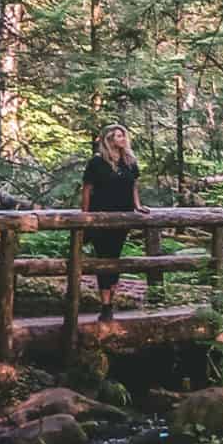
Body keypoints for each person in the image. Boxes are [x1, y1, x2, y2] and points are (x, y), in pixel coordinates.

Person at [78, 124, 142, 325]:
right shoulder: (97, 162)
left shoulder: (129, 161)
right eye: (118, 135)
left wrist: (138, 206)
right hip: (101, 217)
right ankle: (106, 305)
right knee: (104, 258)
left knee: (114, 258)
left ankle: (110, 301)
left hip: (123, 217)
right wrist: (85, 216)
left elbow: (134, 186)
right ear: (109, 140)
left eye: (123, 135)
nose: (122, 138)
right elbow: (87, 189)